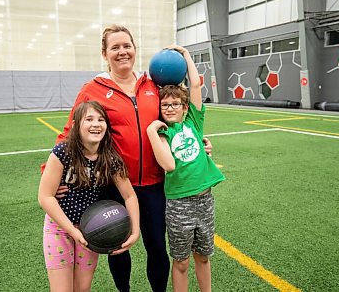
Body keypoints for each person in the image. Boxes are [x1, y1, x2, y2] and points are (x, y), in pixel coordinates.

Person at [52, 24, 212, 292]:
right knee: (117, 247)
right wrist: (53, 175)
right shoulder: (93, 89)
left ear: (135, 50)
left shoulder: (153, 84)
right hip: (114, 184)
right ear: (104, 54)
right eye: (115, 47)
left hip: (155, 184)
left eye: (127, 46)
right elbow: (70, 134)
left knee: (157, 247)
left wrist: (199, 145)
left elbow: (177, 118)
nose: (122, 52)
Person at [38, 101, 140, 292]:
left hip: (90, 230)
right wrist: (72, 231)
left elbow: (129, 196)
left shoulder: (110, 158)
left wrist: (135, 232)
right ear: (76, 125)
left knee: (82, 288)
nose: (96, 124)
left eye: (101, 119)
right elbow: (45, 197)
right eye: (89, 119)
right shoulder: (63, 153)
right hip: (59, 229)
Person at [146, 45, 225, 292]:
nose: (170, 108)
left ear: (184, 107)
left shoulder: (194, 122)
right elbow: (169, 165)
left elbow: (196, 86)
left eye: (175, 104)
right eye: (165, 105)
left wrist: (187, 55)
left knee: (203, 257)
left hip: (205, 201)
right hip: (179, 204)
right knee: (180, 261)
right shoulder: (162, 133)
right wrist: (152, 130)